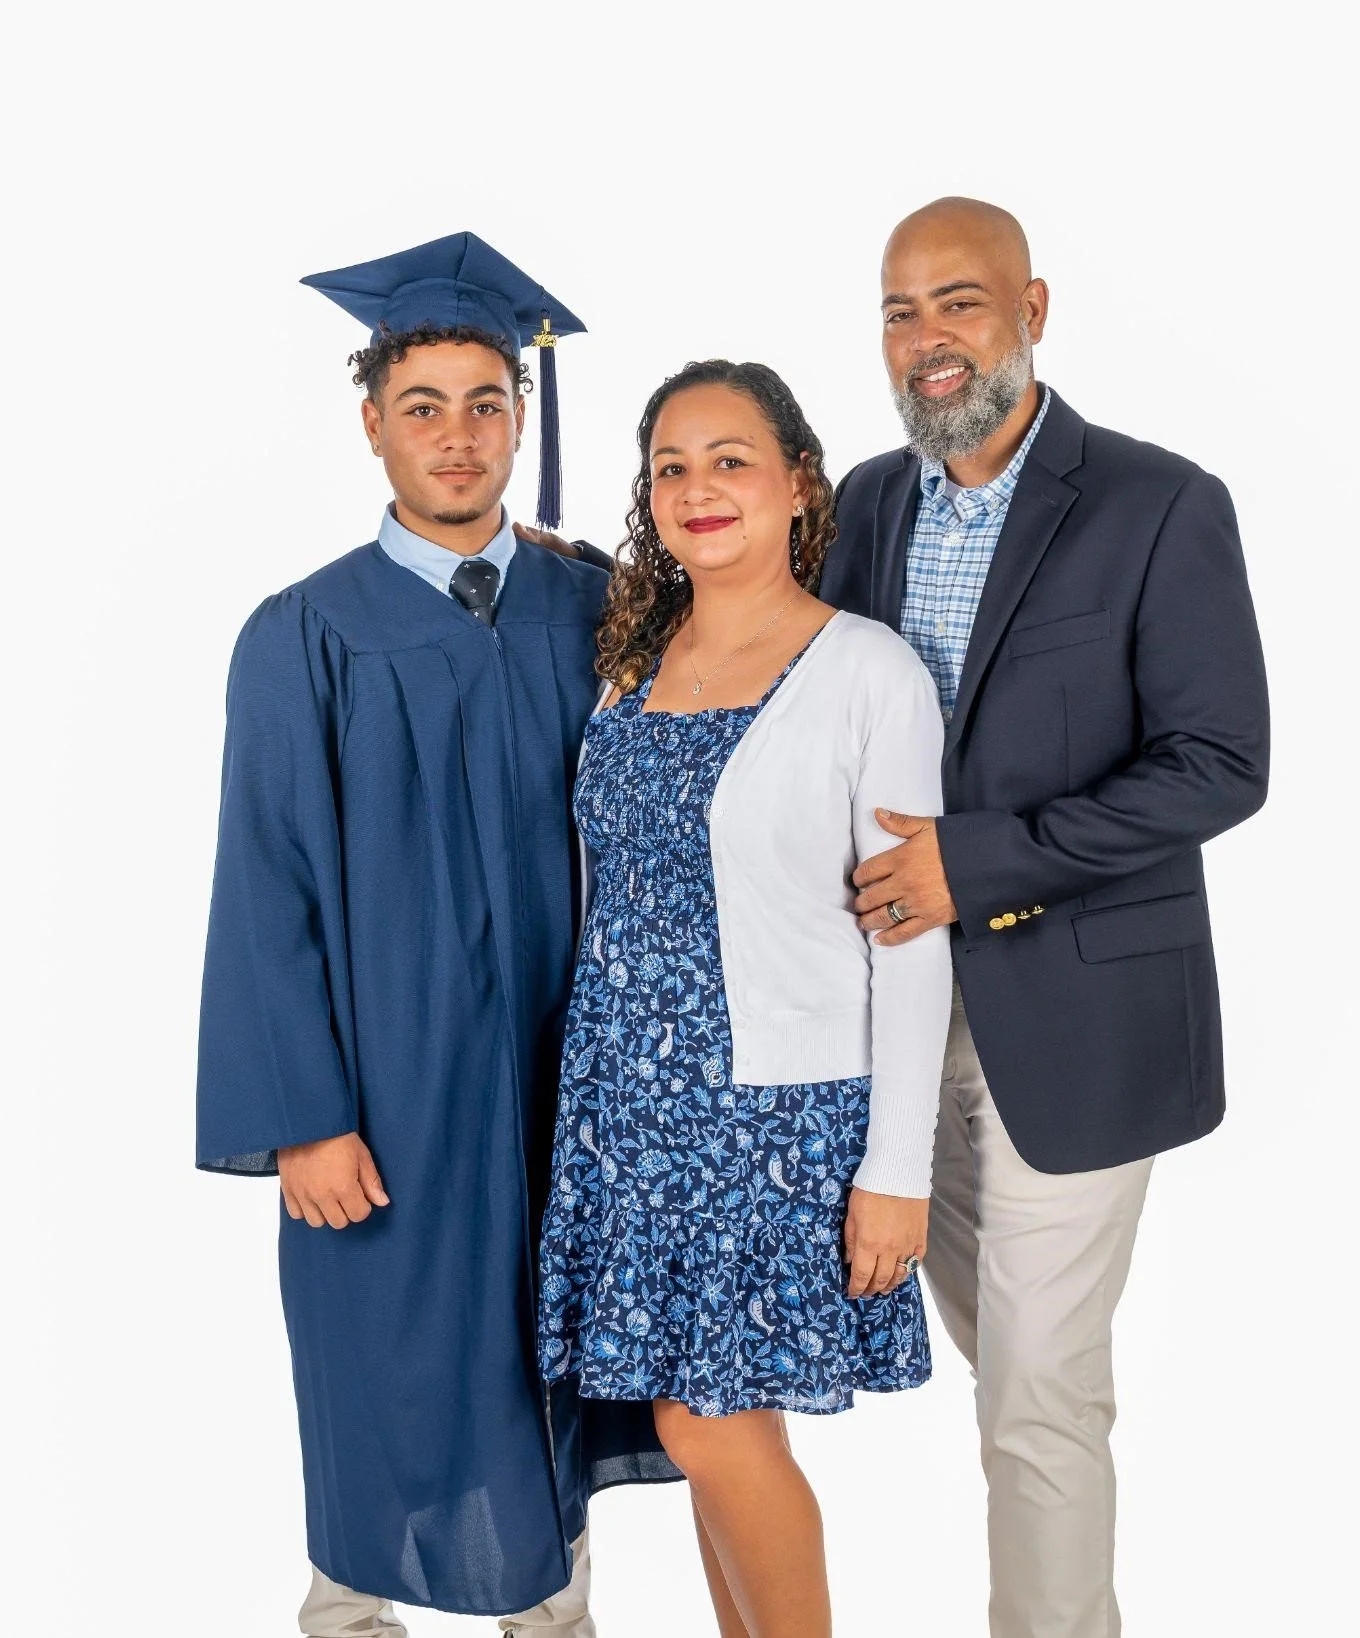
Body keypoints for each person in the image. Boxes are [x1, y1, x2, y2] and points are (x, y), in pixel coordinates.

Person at [196, 231, 672, 1638]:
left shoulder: (598, 610)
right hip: (390, 1092)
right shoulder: (304, 633)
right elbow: (265, 886)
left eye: (484, 402)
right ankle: (348, 1612)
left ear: (521, 415)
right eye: (422, 407)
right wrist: (302, 1117)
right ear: (371, 425)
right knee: (385, 1357)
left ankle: (553, 1613)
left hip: (572, 1077)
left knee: (556, 1345)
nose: (456, 436)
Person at [819, 197, 1271, 1637]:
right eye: (899, 311)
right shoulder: (866, 506)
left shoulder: (1157, 503)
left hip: (1079, 1017)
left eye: (958, 301)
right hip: (897, 1023)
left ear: (1032, 309)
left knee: (1036, 1391)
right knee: (1013, 1371)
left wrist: (981, 861)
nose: (927, 338)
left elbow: (1219, 763)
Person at [535, 360, 954, 1638]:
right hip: (630, 1105)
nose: (697, 488)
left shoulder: (865, 671)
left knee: (711, 1428)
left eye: (730, 460)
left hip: (763, 1113)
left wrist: (898, 1169)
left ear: (797, 485)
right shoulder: (630, 663)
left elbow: (909, 933)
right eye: (670, 467)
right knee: (697, 1427)